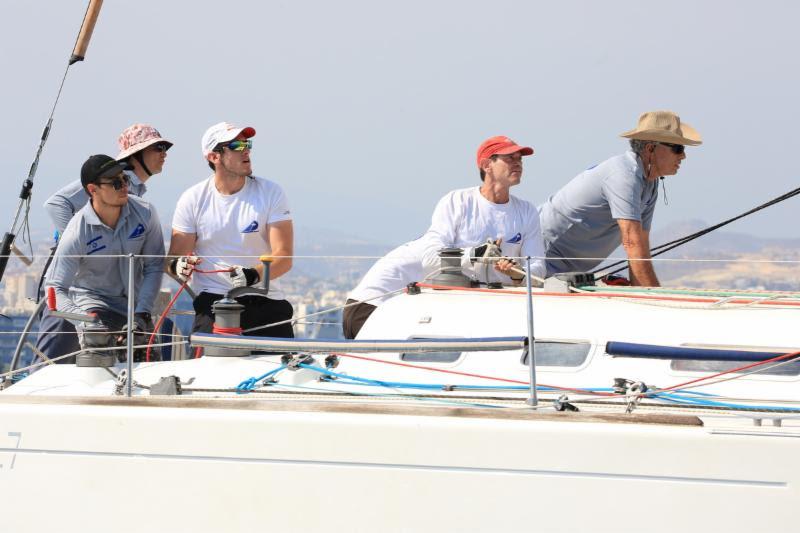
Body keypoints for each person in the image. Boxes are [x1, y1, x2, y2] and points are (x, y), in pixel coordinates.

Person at [344, 135, 547, 339]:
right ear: (487, 165)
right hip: (374, 304)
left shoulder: (527, 211)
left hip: (423, 307)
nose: (518, 163)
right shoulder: (457, 201)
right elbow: (431, 259)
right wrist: (477, 253)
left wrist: (516, 273)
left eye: (520, 158)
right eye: (509, 158)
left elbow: (537, 269)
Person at [36, 124, 172, 362]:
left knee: (153, 358)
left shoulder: (143, 208)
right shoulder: (80, 226)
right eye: (157, 147)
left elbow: (153, 266)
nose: (164, 153)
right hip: (84, 297)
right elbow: (55, 203)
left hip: (128, 303)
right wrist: (82, 241)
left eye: (124, 181)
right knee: (51, 367)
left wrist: (142, 312)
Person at [538, 110, 702, 286]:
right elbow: (631, 242)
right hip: (539, 258)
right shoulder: (624, 175)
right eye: (678, 148)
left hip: (569, 270)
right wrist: (652, 297)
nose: (683, 156)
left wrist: (645, 291)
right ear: (650, 148)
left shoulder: (649, 182)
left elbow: (641, 245)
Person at [168, 122, 295, 340]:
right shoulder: (193, 198)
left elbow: (284, 257)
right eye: (236, 145)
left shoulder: (271, 192)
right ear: (213, 157)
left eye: (247, 144)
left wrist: (252, 275)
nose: (246, 150)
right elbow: (173, 259)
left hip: (266, 300)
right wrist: (178, 266)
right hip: (214, 305)